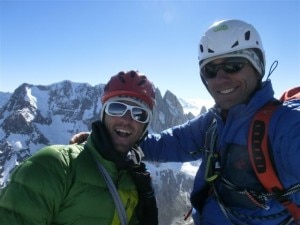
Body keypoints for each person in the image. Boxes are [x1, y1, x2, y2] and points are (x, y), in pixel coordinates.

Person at [70, 19, 300, 225]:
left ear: (257, 65)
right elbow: (170, 143)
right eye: (210, 70)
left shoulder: (286, 128)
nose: (221, 78)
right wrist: (112, 139)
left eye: (233, 65)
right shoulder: (214, 122)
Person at [0, 70, 159, 225]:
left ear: (146, 126)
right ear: (103, 114)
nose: (126, 119)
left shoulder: (135, 179)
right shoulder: (54, 165)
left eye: (139, 114)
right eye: (117, 108)